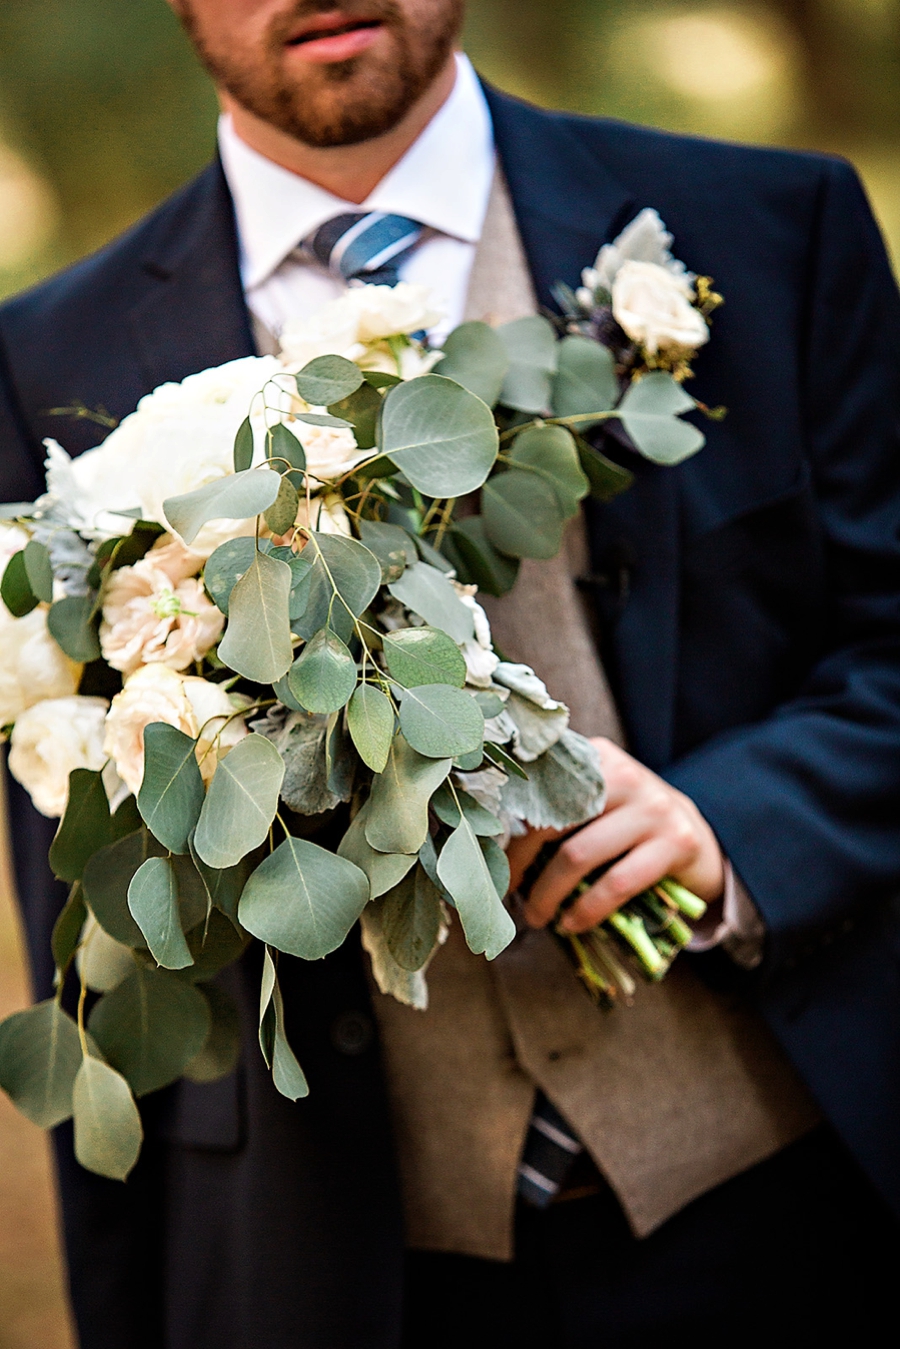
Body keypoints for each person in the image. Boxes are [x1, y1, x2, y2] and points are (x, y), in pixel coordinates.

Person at [0, 2, 898, 1346]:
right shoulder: (40, 360)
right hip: (338, 1268)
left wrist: (738, 823)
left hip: (769, 1203)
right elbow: (86, 881)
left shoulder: (773, 228)